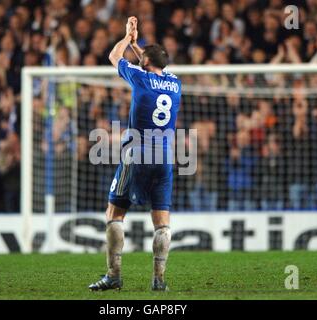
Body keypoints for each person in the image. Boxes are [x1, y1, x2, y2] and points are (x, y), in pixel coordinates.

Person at [89, 17, 181, 291]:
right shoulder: (176, 83)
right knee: (162, 223)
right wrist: (140, 48)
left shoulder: (140, 78)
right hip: (164, 157)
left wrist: (128, 40)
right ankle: (158, 281)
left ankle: (114, 276)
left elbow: (113, 55)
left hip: (137, 153)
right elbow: (153, 65)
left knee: (114, 214)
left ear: (144, 63)